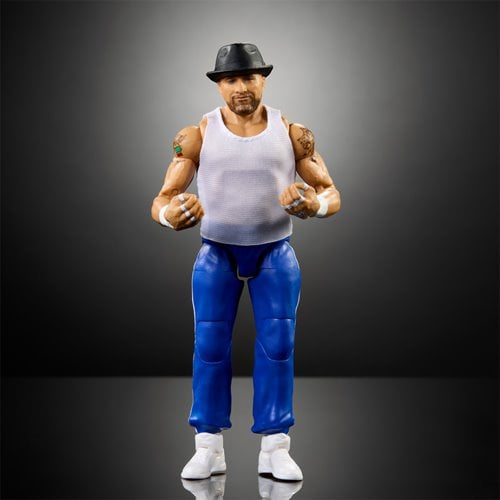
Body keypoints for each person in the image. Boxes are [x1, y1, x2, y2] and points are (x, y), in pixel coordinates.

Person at [151, 43, 341, 482]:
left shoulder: (293, 132)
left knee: (279, 345)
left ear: (263, 80)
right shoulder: (195, 135)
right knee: (209, 346)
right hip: (217, 252)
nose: (241, 87)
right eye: (231, 79)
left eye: (249, 77)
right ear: (219, 85)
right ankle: (207, 446)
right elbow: (162, 198)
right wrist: (169, 215)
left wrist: (314, 205)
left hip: (274, 251)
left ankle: (275, 447)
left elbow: (331, 191)